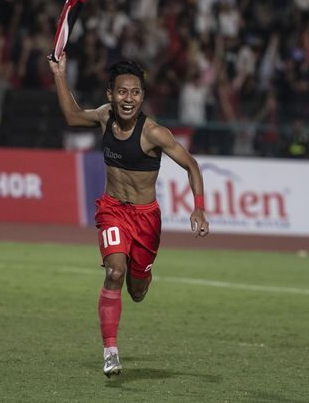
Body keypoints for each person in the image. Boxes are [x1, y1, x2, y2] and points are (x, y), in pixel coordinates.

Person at [48, 53, 210, 376]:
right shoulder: (105, 117)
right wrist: (59, 73)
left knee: (136, 291)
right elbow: (72, 114)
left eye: (135, 92)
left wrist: (200, 208)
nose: (128, 99)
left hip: (146, 220)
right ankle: (110, 351)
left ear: (142, 96)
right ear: (110, 94)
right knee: (114, 274)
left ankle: (144, 276)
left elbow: (191, 165)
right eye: (122, 92)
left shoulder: (154, 134)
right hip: (112, 211)